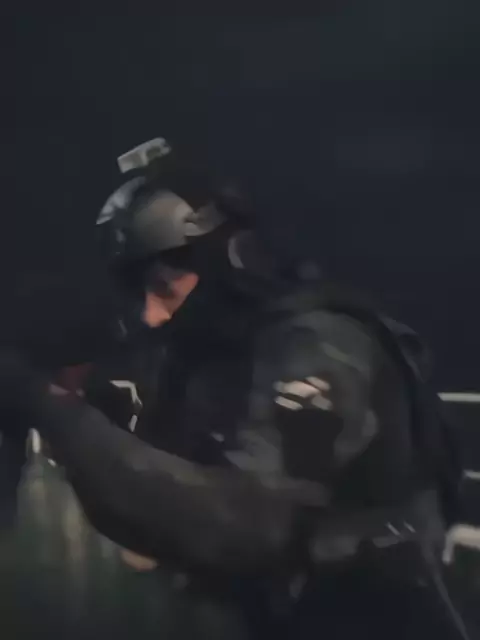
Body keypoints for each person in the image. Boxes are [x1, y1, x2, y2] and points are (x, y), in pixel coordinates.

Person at [0, 139, 470, 639]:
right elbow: (170, 499)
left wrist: (55, 412)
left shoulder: (323, 346)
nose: (151, 314)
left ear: (226, 263)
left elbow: (245, 525)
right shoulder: (216, 360)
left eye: (164, 288)